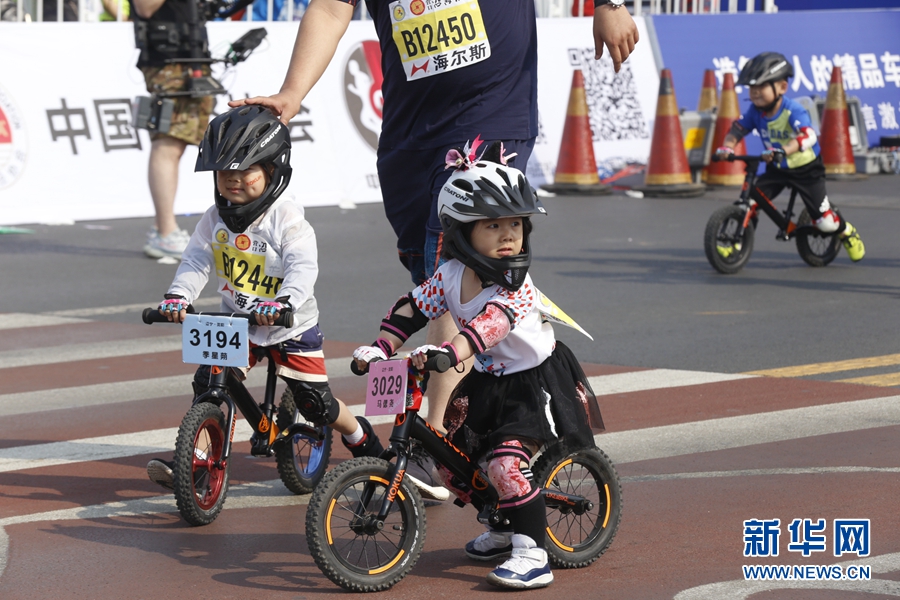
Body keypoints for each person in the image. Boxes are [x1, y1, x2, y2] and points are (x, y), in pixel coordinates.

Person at [230, 0, 637, 494]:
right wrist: (293, 93)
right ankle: (474, 426)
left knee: (457, 271)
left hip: (492, 113)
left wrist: (610, 5)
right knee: (429, 280)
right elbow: (333, 7)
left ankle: (434, 438)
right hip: (410, 136)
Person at [352, 143, 604, 589]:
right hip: (488, 379)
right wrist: (380, 346)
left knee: (505, 465)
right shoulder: (450, 275)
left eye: (516, 225)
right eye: (493, 226)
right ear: (463, 232)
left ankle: (533, 553)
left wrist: (449, 354)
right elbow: (412, 308)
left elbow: (490, 327)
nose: (509, 235)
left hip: (532, 383)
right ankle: (505, 524)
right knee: (452, 460)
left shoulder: (517, 287)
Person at [146, 106, 396, 490]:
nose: (234, 180)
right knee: (208, 381)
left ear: (273, 171)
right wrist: (178, 296)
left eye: (246, 171)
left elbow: (302, 267)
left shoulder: (287, 218)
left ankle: (367, 444)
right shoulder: (214, 218)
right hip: (237, 322)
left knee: (317, 404)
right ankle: (198, 461)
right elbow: (197, 260)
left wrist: (284, 302)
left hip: (289, 324)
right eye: (225, 172)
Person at [716, 52, 865, 262]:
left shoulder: (793, 110)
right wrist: (727, 148)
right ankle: (736, 242)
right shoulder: (754, 112)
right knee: (750, 202)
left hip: (807, 169)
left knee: (825, 224)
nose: (755, 93)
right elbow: (737, 130)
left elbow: (808, 135)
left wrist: (784, 150)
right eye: (752, 88)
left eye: (761, 87)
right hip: (777, 168)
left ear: (782, 88)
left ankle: (846, 231)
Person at [131, 0, 215, 259]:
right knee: (168, 140)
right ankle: (165, 232)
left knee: (177, 144)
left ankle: (162, 230)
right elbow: (145, 6)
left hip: (191, 54)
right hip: (166, 58)